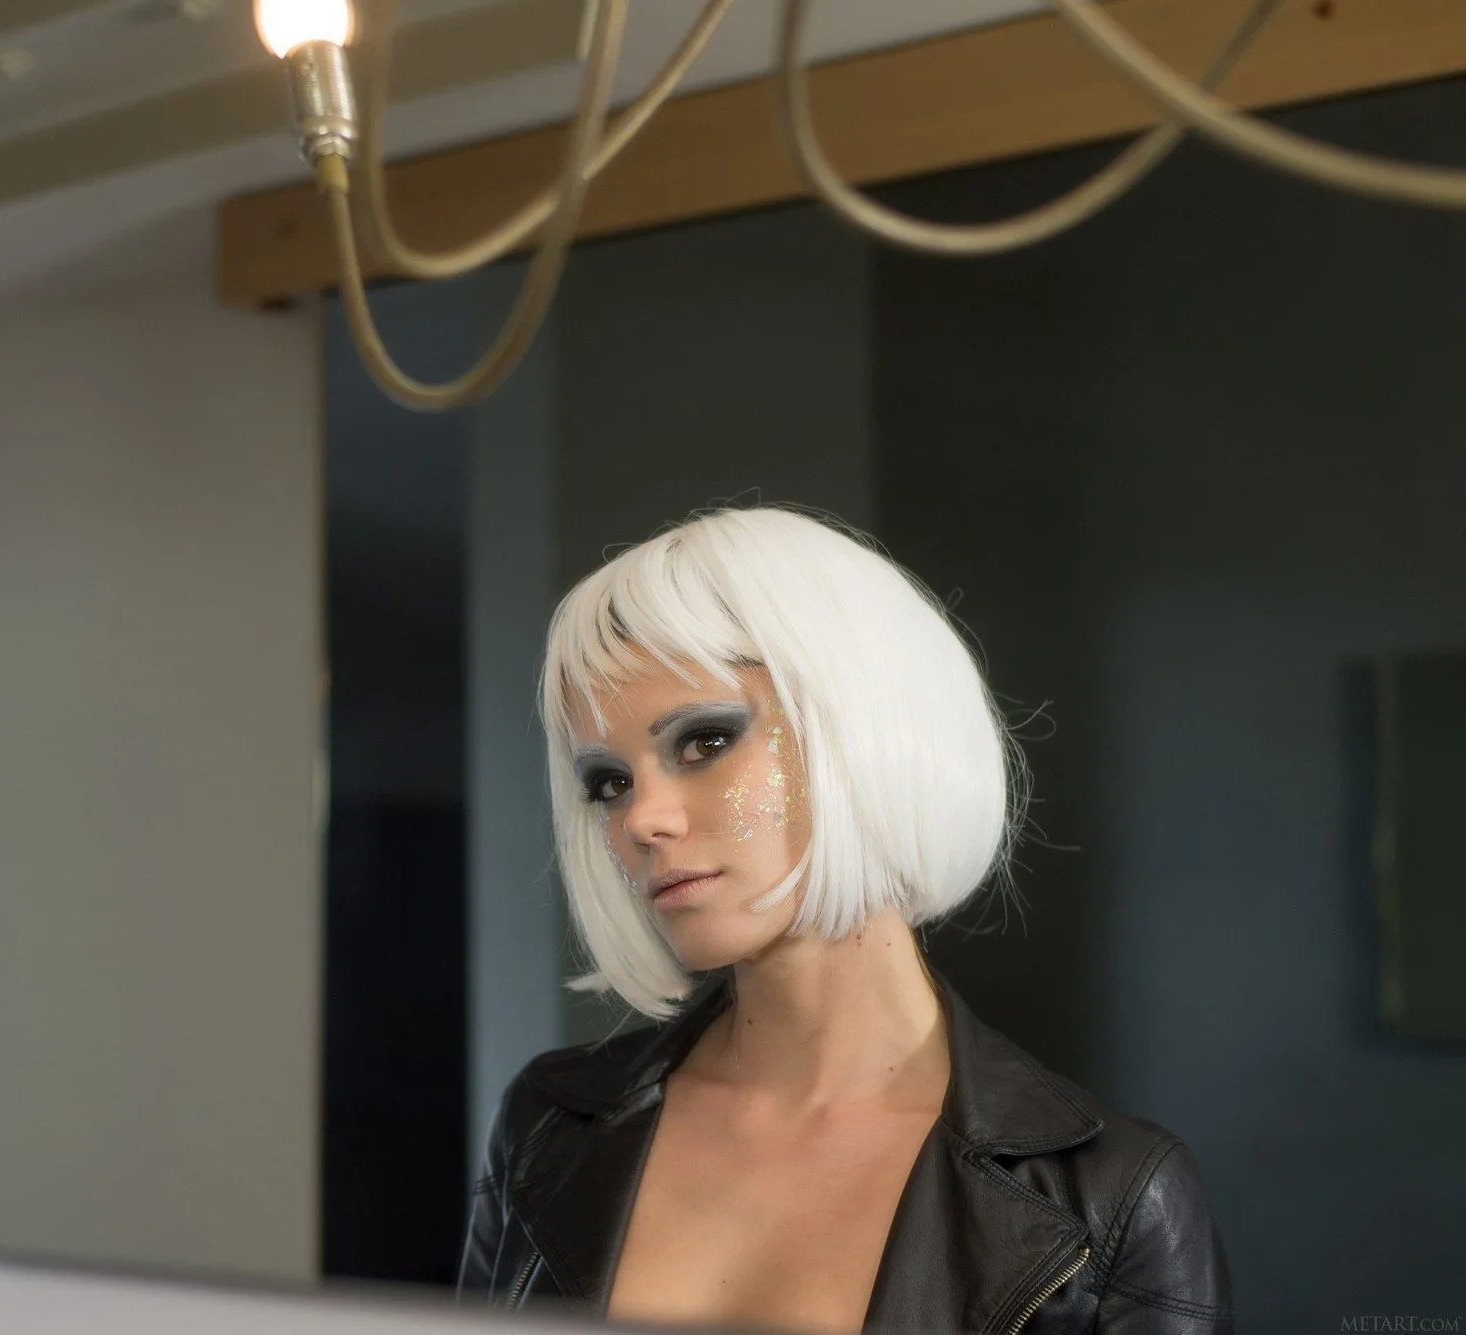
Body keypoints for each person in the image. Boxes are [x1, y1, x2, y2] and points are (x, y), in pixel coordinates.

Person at [457, 507, 1233, 1334]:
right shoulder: (547, 1125)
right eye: (609, 782)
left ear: (862, 729)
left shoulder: (1112, 1200)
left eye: (703, 741)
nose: (643, 818)